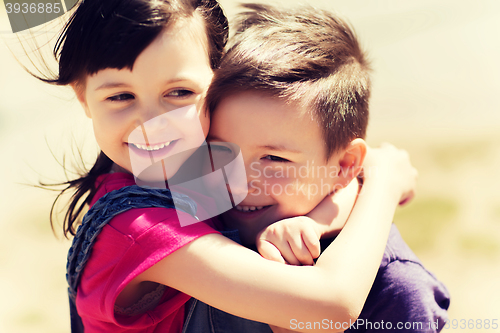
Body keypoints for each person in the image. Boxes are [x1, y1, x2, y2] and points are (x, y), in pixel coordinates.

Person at [29, 0, 417, 332]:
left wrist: (316, 220)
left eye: (178, 92)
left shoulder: (182, 175)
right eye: (120, 96)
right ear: (83, 97)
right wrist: (383, 183)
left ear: (218, 80)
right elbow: (332, 306)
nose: (150, 121)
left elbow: (332, 178)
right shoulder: (138, 229)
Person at [183, 3, 449, 333]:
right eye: (218, 150)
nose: (237, 181)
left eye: (274, 159)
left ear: (346, 165)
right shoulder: (200, 218)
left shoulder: (395, 286)